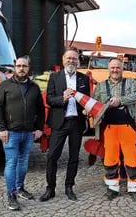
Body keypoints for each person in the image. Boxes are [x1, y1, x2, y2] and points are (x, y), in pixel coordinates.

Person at [39, 47, 90, 202]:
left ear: (78, 61)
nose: (71, 61)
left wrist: (87, 109)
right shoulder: (55, 77)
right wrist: (62, 98)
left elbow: (86, 99)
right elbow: (49, 100)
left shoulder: (83, 79)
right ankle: (50, 188)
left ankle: (69, 187)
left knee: (74, 157)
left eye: (74, 58)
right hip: (59, 122)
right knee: (52, 156)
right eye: (69, 58)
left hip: (77, 122)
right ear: (63, 60)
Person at [0, 55, 45, 211]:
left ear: (29, 68)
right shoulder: (5, 86)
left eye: (25, 66)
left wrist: (39, 128)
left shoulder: (34, 87)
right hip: (11, 133)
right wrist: (2, 129)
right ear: (15, 67)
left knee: (23, 163)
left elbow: (41, 110)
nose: (21, 69)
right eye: (19, 66)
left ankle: (20, 188)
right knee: (11, 162)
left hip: (28, 133)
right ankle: (11, 195)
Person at [92, 58, 136, 203]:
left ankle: (134, 189)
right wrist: (88, 110)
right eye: (113, 68)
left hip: (127, 126)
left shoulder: (131, 82)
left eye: (118, 67)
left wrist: (120, 101)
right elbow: (95, 103)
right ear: (109, 69)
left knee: (132, 158)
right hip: (109, 128)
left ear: (122, 68)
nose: (115, 70)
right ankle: (112, 188)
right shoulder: (101, 86)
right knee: (110, 158)